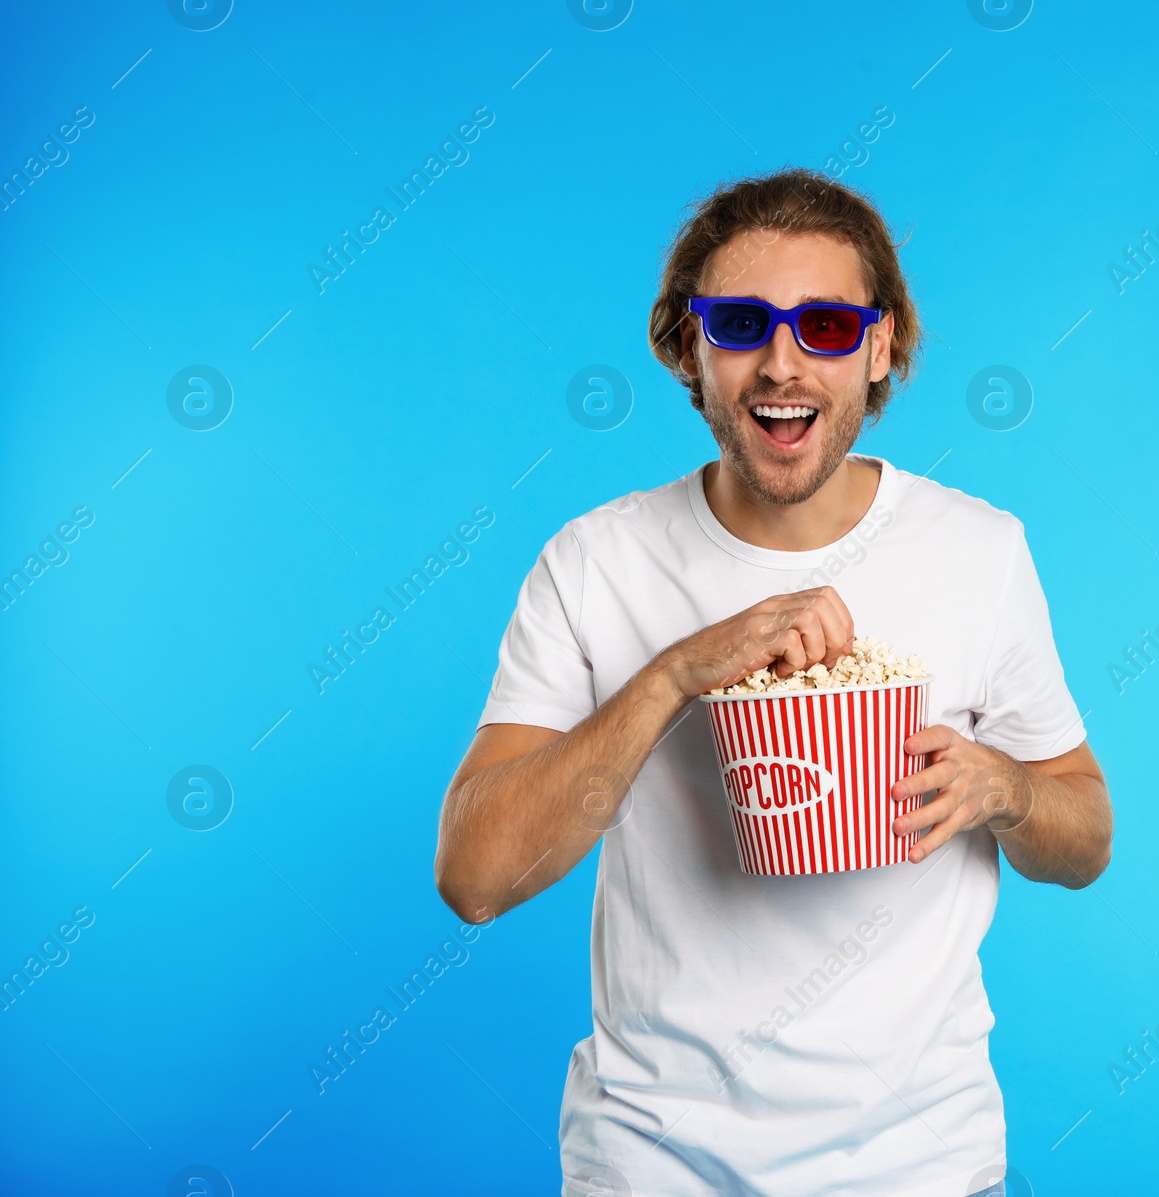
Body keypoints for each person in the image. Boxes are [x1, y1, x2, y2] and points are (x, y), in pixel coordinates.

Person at [434, 167, 1114, 1197]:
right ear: (687, 350)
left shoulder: (979, 551)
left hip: (919, 1164)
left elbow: (1086, 839)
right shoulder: (594, 563)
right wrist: (673, 675)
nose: (782, 364)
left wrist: (1006, 792)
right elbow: (473, 880)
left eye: (828, 327)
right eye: (742, 323)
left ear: (880, 346)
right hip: (650, 1162)